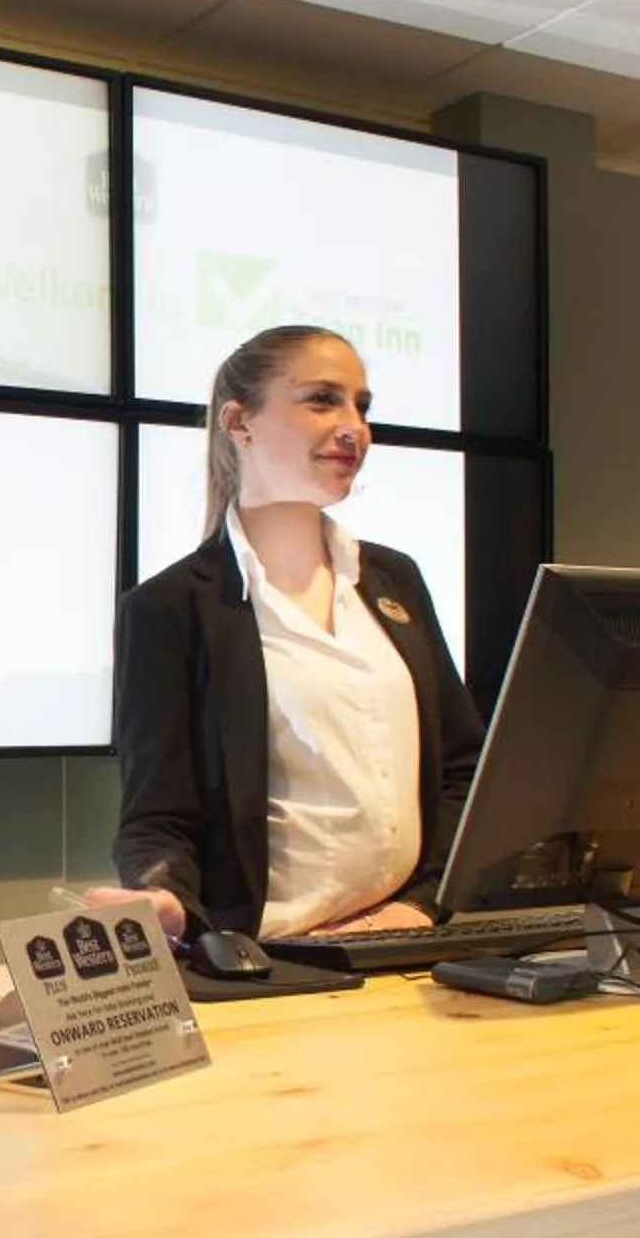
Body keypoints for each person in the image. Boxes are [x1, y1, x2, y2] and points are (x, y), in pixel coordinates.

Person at [87, 324, 482, 944]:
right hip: (275, 958)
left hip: (403, 943)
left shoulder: (395, 580)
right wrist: (163, 898)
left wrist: (424, 904)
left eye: (362, 406)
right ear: (238, 422)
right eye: (322, 400)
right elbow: (157, 817)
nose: (354, 427)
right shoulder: (168, 608)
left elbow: (462, 771)